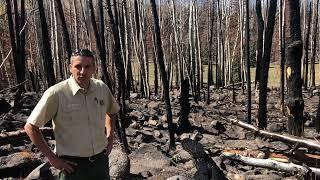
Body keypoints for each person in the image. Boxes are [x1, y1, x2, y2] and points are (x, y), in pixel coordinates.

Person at [24, 49, 119, 180]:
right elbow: (30, 127)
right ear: (70, 68)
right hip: (72, 166)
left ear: (94, 68)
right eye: (78, 66)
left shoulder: (101, 88)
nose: (82, 71)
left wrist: (110, 138)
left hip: (100, 163)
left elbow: (112, 111)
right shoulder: (56, 93)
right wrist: (52, 159)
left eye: (87, 67)